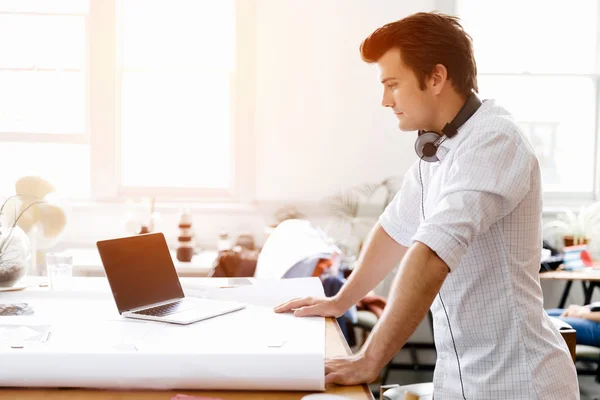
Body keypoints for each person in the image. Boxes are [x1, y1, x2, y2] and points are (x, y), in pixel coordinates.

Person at [274, 11, 579, 399]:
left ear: (436, 77)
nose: (385, 100)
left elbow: (431, 253)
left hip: (516, 383)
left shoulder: (494, 141)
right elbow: (393, 230)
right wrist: (340, 300)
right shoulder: (437, 149)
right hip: (460, 377)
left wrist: (369, 360)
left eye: (393, 84)